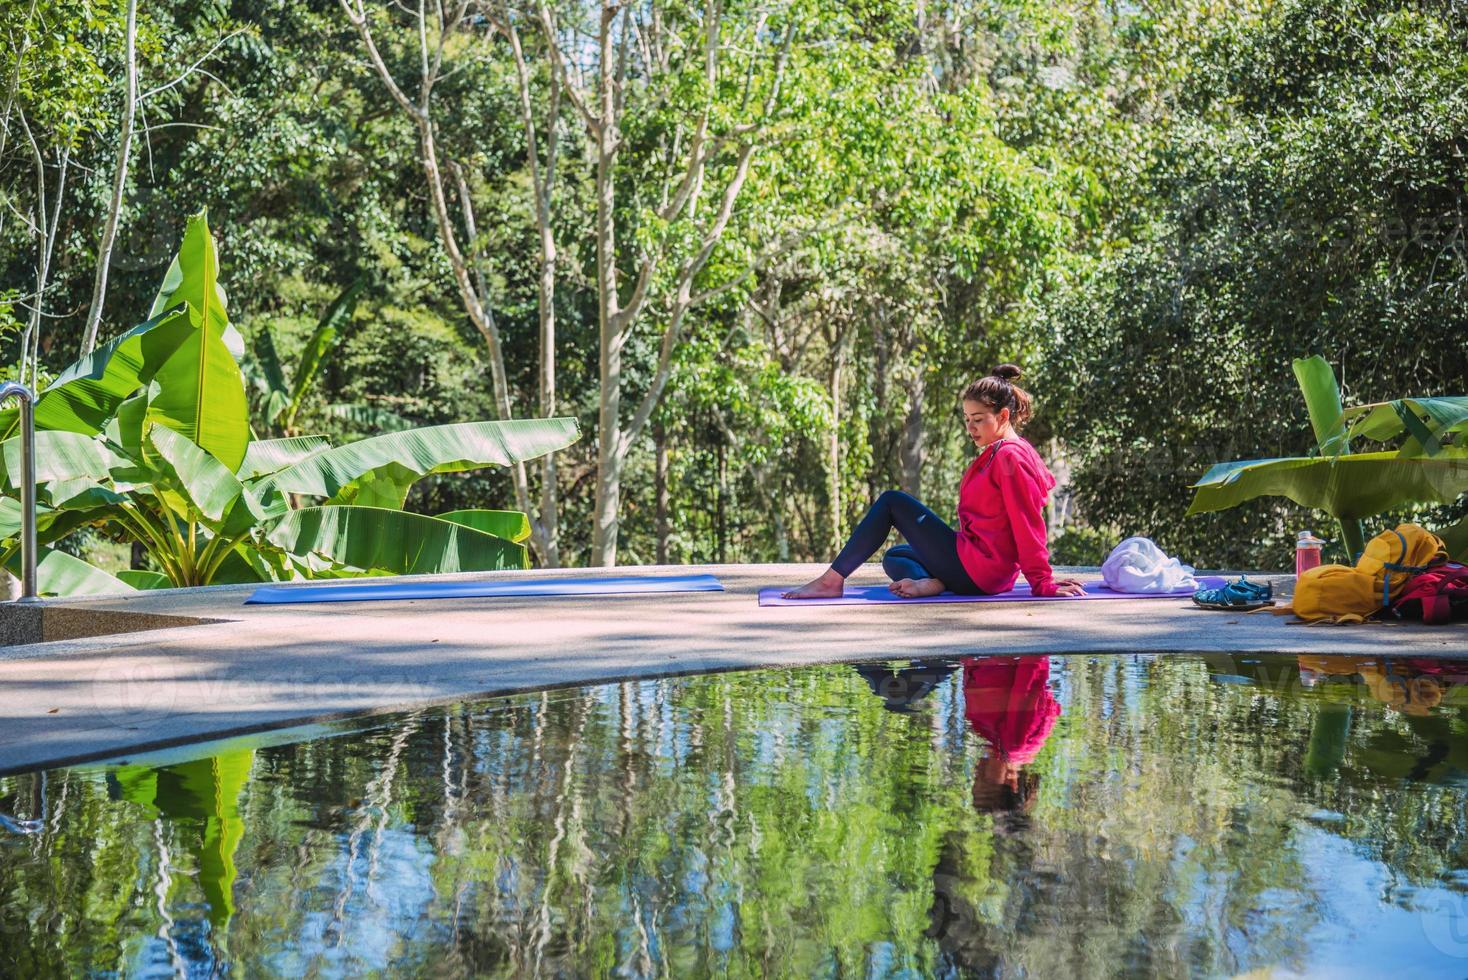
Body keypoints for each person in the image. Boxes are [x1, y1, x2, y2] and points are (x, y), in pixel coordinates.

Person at [783, 364, 1084, 599]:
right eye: (967, 420)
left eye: (978, 419)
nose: (971, 428)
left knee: (892, 502)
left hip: (982, 571)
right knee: (896, 556)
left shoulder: (1011, 458)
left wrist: (1042, 581)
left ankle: (831, 581)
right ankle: (936, 583)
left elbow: (1027, 522)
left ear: (1003, 415)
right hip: (978, 564)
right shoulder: (998, 453)